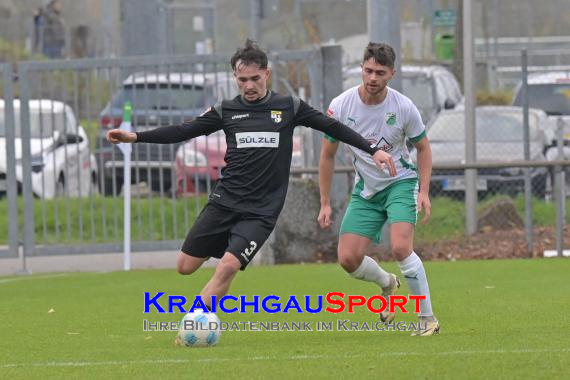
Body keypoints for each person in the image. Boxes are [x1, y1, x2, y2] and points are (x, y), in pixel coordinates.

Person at [106, 40, 396, 342]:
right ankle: (210, 298)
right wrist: (134, 136)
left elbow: (333, 127)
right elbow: (182, 131)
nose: (249, 85)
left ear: (266, 75)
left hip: (261, 211)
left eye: (255, 78)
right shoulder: (226, 110)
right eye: (242, 79)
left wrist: (372, 149)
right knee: (185, 267)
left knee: (228, 266)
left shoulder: (289, 107)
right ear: (235, 78)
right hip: (224, 202)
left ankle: (193, 326)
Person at [317, 42, 439, 336]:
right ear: (362, 68)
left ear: (391, 74)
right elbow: (327, 155)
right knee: (347, 259)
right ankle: (387, 284)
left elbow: (423, 148)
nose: (372, 78)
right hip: (367, 191)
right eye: (368, 70)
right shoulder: (342, 105)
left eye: (380, 73)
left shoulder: (403, 107)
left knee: (400, 247)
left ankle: (427, 319)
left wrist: (423, 191)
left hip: (401, 183)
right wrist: (325, 202)